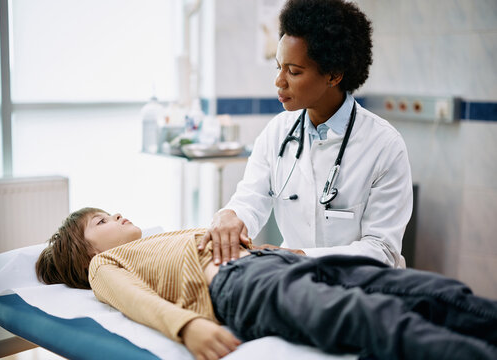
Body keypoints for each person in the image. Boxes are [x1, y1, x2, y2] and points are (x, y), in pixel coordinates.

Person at [37, 208, 497, 360]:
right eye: (101, 219)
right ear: (89, 253)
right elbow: (134, 301)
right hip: (240, 288)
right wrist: (185, 328)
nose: (116, 215)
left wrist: (268, 251)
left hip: (279, 262)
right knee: (376, 318)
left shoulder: (162, 236)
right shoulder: (107, 266)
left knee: (427, 292)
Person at [201, 0, 413, 267]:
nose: (279, 81)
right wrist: (230, 215)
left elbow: (382, 250)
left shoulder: (384, 145)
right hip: (294, 282)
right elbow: (250, 199)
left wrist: (300, 256)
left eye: (294, 71)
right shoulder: (277, 132)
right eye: (279, 67)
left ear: (334, 74)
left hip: (361, 290)